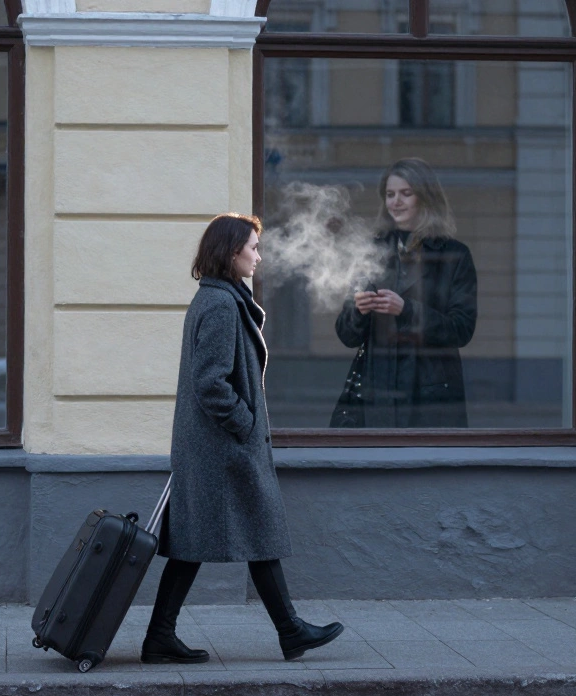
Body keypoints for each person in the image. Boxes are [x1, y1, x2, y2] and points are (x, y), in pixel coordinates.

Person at [143, 213, 344, 664]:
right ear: (232, 253)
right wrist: (246, 422)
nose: (259, 255)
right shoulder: (219, 304)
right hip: (223, 449)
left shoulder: (221, 298)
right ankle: (289, 630)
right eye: (253, 247)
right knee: (253, 532)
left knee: (200, 544)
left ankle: (162, 635)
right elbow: (210, 381)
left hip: (215, 449)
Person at [333, 157, 477, 428]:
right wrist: (358, 310)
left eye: (405, 194)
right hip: (378, 391)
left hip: (430, 394)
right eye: (390, 194)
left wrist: (406, 309)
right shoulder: (371, 250)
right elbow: (346, 334)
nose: (395, 202)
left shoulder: (454, 255)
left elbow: (462, 329)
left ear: (425, 197)